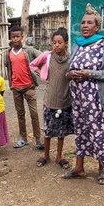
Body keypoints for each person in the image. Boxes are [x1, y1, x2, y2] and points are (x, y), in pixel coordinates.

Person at [63, 4, 104, 185]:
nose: (85, 25)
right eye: (83, 22)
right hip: (78, 100)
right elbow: (68, 71)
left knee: (97, 131)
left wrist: (90, 74)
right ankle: (79, 167)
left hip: (96, 99)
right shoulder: (77, 44)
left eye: (89, 23)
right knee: (81, 132)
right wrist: (70, 75)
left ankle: (102, 168)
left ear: (97, 26)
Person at [30, 27, 74, 169]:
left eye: (59, 42)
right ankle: (46, 156)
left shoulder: (70, 59)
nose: (56, 45)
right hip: (49, 100)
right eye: (54, 42)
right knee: (48, 131)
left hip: (65, 100)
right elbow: (33, 64)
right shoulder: (48, 56)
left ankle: (59, 156)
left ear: (66, 43)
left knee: (61, 132)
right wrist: (42, 75)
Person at [4, 25, 43, 150]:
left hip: (29, 87)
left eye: (18, 37)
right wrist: (11, 84)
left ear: (22, 37)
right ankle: (23, 138)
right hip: (16, 87)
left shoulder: (29, 50)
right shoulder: (8, 53)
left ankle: (38, 139)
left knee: (34, 113)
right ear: (10, 37)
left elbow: (42, 57)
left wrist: (39, 71)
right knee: (20, 114)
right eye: (13, 37)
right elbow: (8, 68)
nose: (15, 39)